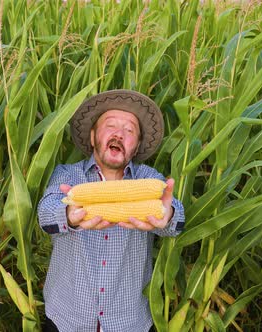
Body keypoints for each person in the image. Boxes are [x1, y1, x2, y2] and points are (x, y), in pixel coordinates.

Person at [37, 89, 185, 332]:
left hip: (128, 320)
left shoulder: (148, 179)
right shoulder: (67, 176)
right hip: (67, 318)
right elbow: (46, 212)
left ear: (136, 147)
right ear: (93, 136)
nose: (119, 134)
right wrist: (69, 217)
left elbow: (176, 217)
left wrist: (166, 216)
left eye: (129, 131)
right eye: (111, 126)